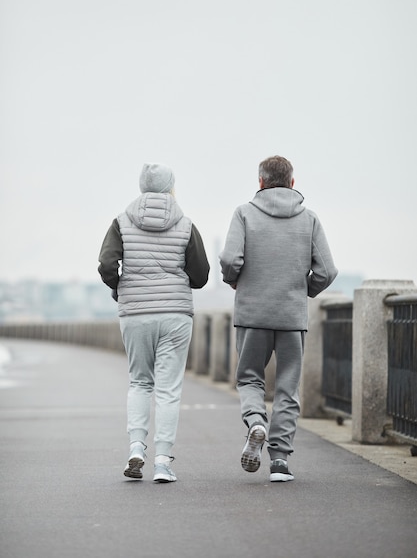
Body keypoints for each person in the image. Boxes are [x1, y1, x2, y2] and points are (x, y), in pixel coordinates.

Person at [219, 155, 337, 482]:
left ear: (260, 182)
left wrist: (236, 279)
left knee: (249, 378)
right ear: (293, 182)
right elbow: (327, 271)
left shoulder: (244, 214)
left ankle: (256, 421)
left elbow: (230, 258)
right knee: (287, 387)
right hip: (291, 316)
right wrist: (303, 290)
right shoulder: (309, 219)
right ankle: (280, 461)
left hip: (253, 313)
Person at [98, 163, 210, 483]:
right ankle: (162, 461)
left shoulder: (121, 222)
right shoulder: (186, 225)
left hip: (135, 314)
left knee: (139, 383)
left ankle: (136, 448)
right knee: (168, 390)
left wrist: (120, 287)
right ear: (171, 187)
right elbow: (200, 276)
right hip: (175, 314)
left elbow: (107, 264)